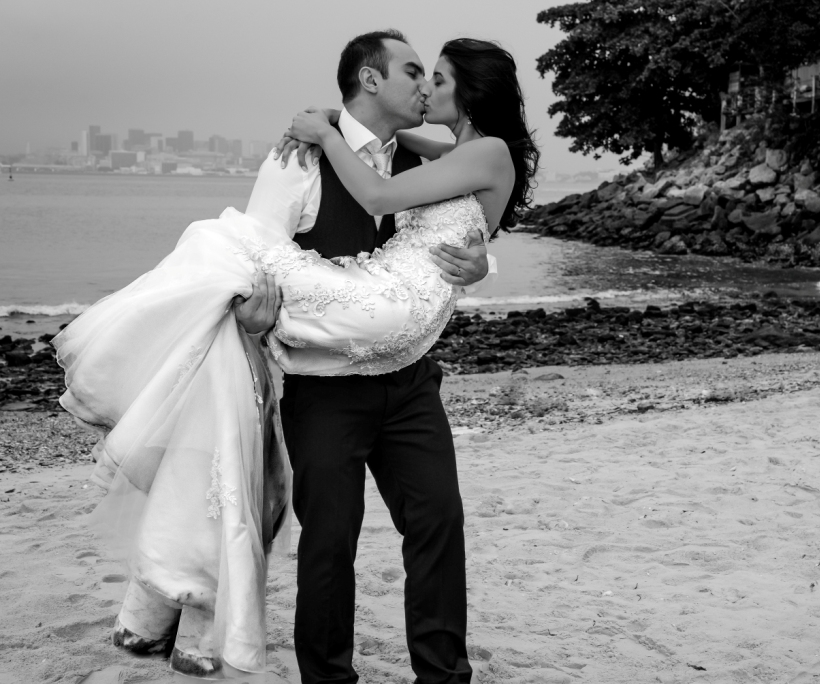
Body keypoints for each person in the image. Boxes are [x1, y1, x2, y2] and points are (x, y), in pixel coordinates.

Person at [53, 30, 537, 683]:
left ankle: (443, 675)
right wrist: (249, 308)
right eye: (417, 72)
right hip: (326, 392)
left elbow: (442, 211)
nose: (426, 86)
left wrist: (480, 265)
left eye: (438, 77)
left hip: (410, 383)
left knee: (438, 525)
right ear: (371, 79)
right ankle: (327, 676)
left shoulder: (415, 161)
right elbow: (257, 252)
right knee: (329, 544)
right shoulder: (300, 160)